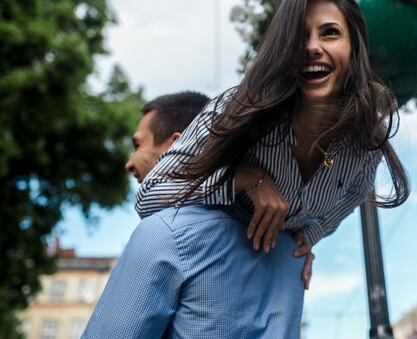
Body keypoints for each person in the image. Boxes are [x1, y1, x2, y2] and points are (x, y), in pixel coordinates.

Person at [136, 0, 409, 279]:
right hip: (200, 279)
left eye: (330, 33)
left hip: (274, 287)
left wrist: (309, 234)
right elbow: (150, 194)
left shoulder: (366, 140)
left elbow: (353, 195)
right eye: (298, 36)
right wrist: (245, 179)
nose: (312, 47)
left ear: (353, 50)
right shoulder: (234, 109)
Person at [82, 92, 307, 338]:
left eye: (138, 145)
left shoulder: (165, 232)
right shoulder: (293, 252)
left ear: (175, 145)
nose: (129, 163)